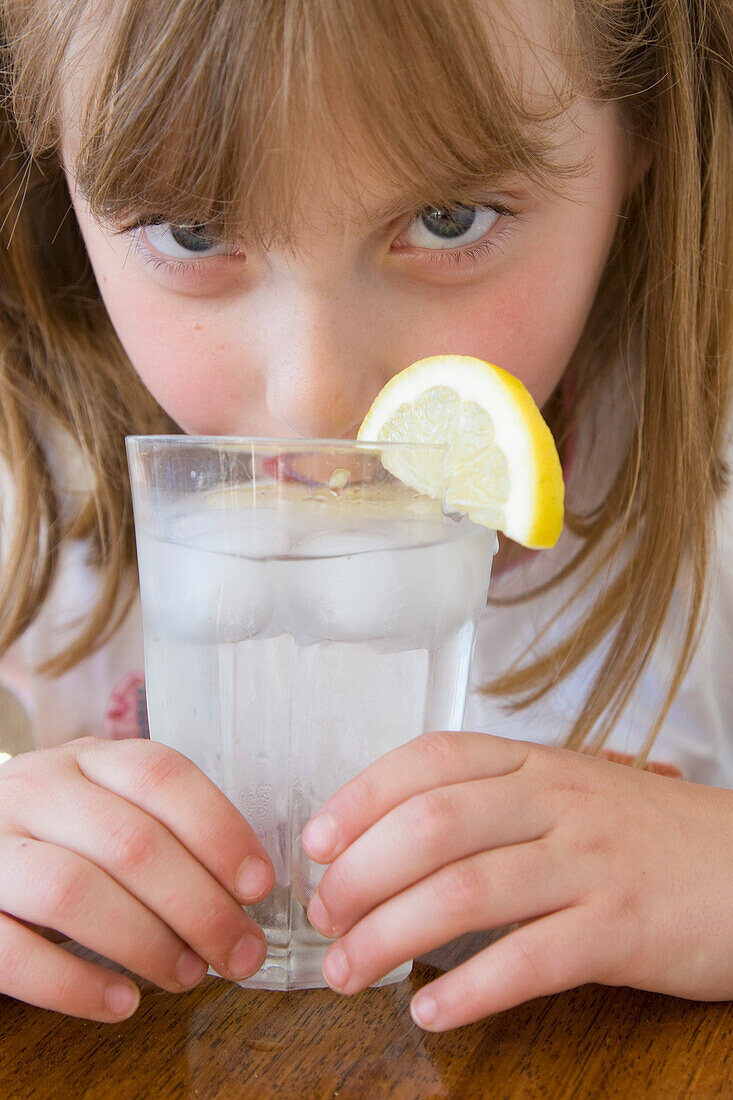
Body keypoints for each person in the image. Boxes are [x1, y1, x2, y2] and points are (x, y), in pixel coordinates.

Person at [0, 0, 731, 1032]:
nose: (316, 396)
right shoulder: (31, 464)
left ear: (645, 131)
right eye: (193, 230)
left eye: (447, 218)